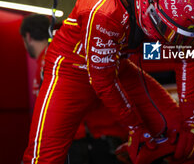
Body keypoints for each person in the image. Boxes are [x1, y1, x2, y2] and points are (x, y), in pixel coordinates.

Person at [23, 0, 194, 164]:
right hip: (71, 69)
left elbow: (186, 57)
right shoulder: (104, 10)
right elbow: (103, 80)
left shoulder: (184, 9)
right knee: (44, 158)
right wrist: (136, 127)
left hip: (117, 65)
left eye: (182, 36)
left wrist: (191, 124)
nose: (171, 41)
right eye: (168, 31)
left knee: (175, 131)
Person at [20, 14, 128, 163]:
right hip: (95, 138)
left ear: (28, 36)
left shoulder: (52, 62)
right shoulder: (59, 56)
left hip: (79, 140)